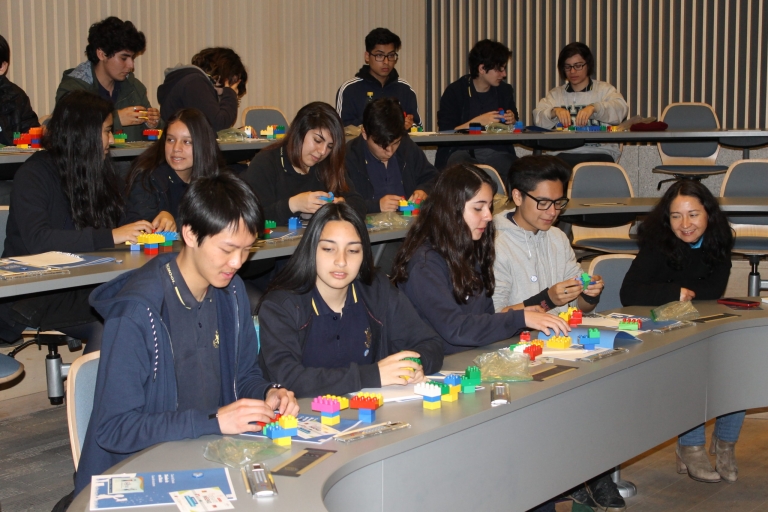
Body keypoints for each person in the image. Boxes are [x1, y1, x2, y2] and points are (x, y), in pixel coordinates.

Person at [74, 172, 300, 495]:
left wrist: (268, 393)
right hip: (135, 475)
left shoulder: (231, 292)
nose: (238, 262)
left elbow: (243, 375)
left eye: (247, 250)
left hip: (202, 460)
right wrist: (212, 421)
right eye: (227, 249)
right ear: (191, 234)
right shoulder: (138, 313)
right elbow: (114, 430)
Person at [0, 91, 154, 346]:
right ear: (84, 133)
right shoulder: (34, 174)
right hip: (38, 290)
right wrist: (112, 235)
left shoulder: (100, 169)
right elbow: (39, 240)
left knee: (149, 302)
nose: (112, 139)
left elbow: (126, 216)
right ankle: (93, 386)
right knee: (111, 322)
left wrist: (153, 221)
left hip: (87, 279)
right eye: (106, 131)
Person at [620, 180, 741, 484]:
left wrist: (682, 293)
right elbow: (629, 293)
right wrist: (675, 291)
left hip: (699, 324)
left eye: (693, 214)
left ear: (709, 215)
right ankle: (692, 446)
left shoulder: (718, 240)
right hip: (657, 329)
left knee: (740, 365)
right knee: (692, 367)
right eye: (676, 216)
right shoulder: (657, 244)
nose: (685, 224)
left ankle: (725, 445)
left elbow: (712, 291)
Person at [257, 203, 444, 397]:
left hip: (371, 414)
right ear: (310, 249)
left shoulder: (376, 290)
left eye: (353, 251)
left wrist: (414, 365)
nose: (341, 261)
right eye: (329, 249)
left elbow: (430, 343)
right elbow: (288, 379)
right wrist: (373, 375)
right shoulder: (281, 306)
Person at [390, 163, 568, 354]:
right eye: (478, 208)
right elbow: (456, 329)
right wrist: (520, 319)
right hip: (434, 366)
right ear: (451, 208)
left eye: (490, 206)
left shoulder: (470, 249)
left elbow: (484, 316)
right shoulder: (424, 263)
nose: (489, 216)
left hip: (468, 356)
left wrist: (522, 316)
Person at [493, 156, 604, 314]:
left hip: (558, 335)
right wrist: (548, 300)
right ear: (517, 197)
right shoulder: (494, 243)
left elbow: (580, 308)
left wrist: (590, 295)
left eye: (558, 203)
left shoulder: (557, 238)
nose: (552, 212)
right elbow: (494, 317)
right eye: (543, 203)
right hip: (516, 338)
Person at [241, 101, 366, 224]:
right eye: (317, 140)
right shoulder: (265, 163)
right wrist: (293, 205)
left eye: (330, 146)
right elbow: (252, 218)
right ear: (299, 131)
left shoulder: (328, 164)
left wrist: (342, 205)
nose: (322, 151)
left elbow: (358, 204)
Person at [55, 16, 160, 141]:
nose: (131, 65)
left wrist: (153, 124)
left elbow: (152, 139)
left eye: (132, 58)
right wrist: (116, 119)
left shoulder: (135, 88)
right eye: (123, 58)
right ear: (101, 54)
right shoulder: (73, 89)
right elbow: (68, 132)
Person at [124, 108, 228, 228]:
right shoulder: (146, 178)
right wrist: (164, 222)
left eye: (187, 142)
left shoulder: (216, 179)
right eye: (170, 140)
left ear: (203, 145)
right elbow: (142, 228)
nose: (176, 148)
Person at [532, 42, 628, 167]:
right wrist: (554, 111)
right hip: (563, 154)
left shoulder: (605, 90)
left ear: (588, 65)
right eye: (568, 67)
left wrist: (595, 108)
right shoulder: (555, 95)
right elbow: (538, 117)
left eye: (578, 66)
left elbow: (621, 109)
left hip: (600, 152)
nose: (572, 71)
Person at [436, 39, 519, 176]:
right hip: (461, 152)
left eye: (504, 69)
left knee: (514, 168)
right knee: (461, 169)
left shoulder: (505, 91)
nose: (504, 74)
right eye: (499, 69)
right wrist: (478, 122)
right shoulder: (455, 91)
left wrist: (513, 121)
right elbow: (445, 132)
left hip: (497, 152)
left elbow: (515, 128)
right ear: (482, 69)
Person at [346, 97, 437, 213]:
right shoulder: (350, 156)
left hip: (409, 225)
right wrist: (376, 206)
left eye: (395, 143)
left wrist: (424, 190)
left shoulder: (406, 146)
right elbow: (342, 203)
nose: (390, 151)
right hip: (367, 229)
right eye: (382, 146)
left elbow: (434, 178)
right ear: (364, 133)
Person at [335, 27, 421, 130]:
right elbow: (341, 132)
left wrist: (408, 126)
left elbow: (419, 129)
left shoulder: (405, 89)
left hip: (398, 146)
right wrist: (375, 120)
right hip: (362, 146)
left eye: (391, 55)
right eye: (379, 55)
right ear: (367, 56)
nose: (386, 62)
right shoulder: (349, 90)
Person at [157, 47, 247, 132]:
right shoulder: (195, 82)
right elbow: (217, 125)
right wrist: (230, 93)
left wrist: (236, 132)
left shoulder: (188, 80)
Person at [0, 34, 40, 147]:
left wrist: (12, 138)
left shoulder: (16, 97)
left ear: (2, 67)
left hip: (10, 163)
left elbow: (33, 139)